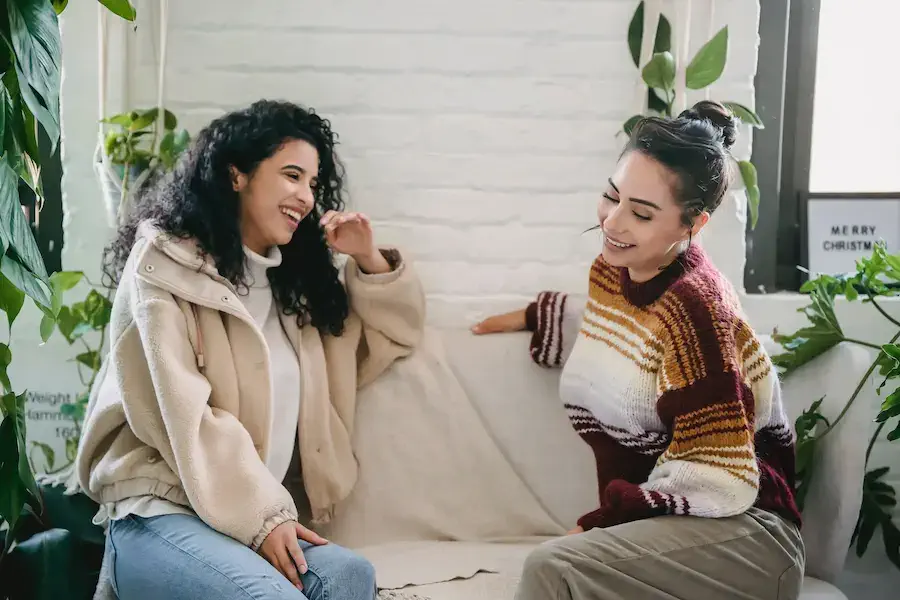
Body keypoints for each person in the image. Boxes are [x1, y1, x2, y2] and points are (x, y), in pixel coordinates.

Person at [74, 99, 426, 600]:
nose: (306, 196)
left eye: (313, 183)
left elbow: (394, 336)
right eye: (291, 175)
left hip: (245, 523)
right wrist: (263, 517)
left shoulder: (296, 297)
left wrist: (367, 257)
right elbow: (183, 416)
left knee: (350, 575)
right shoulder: (164, 267)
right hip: (160, 510)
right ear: (237, 174)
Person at [472, 101, 805, 600]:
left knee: (553, 568)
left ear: (694, 225)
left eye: (642, 213)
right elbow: (626, 334)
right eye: (612, 196)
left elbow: (713, 473)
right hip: (680, 526)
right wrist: (536, 316)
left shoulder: (698, 312)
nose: (613, 221)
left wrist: (603, 522)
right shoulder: (616, 271)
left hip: (747, 536)